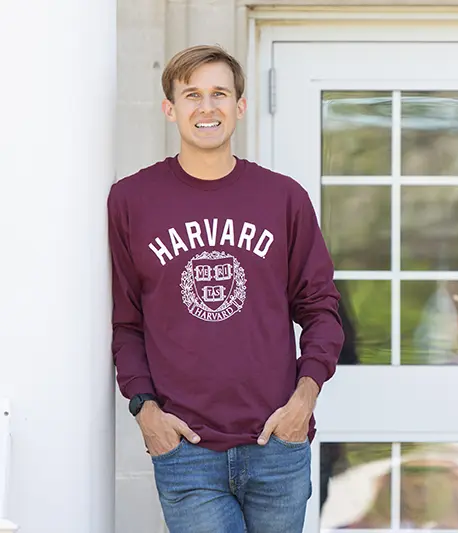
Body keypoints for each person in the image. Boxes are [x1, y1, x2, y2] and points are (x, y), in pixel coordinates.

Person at [106, 44, 344, 533]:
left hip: (276, 442)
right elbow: (126, 321)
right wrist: (145, 411)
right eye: (191, 95)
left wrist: (304, 401)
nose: (206, 107)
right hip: (186, 449)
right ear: (170, 108)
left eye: (219, 94)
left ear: (240, 106)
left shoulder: (283, 199)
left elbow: (321, 310)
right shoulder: (131, 200)